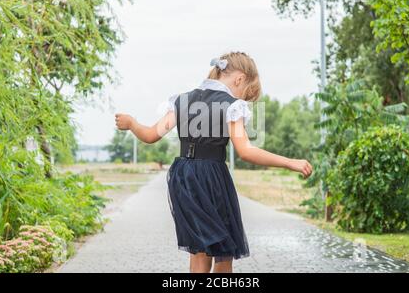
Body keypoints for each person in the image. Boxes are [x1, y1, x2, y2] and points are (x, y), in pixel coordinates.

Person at [115, 51, 313, 273]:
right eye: (245, 92)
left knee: (199, 252)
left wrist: (132, 123)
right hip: (211, 178)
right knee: (223, 251)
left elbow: (151, 135)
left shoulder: (182, 100)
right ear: (239, 79)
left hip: (183, 178)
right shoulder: (231, 105)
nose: (242, 98)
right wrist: (289, 162)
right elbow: (246, 151)